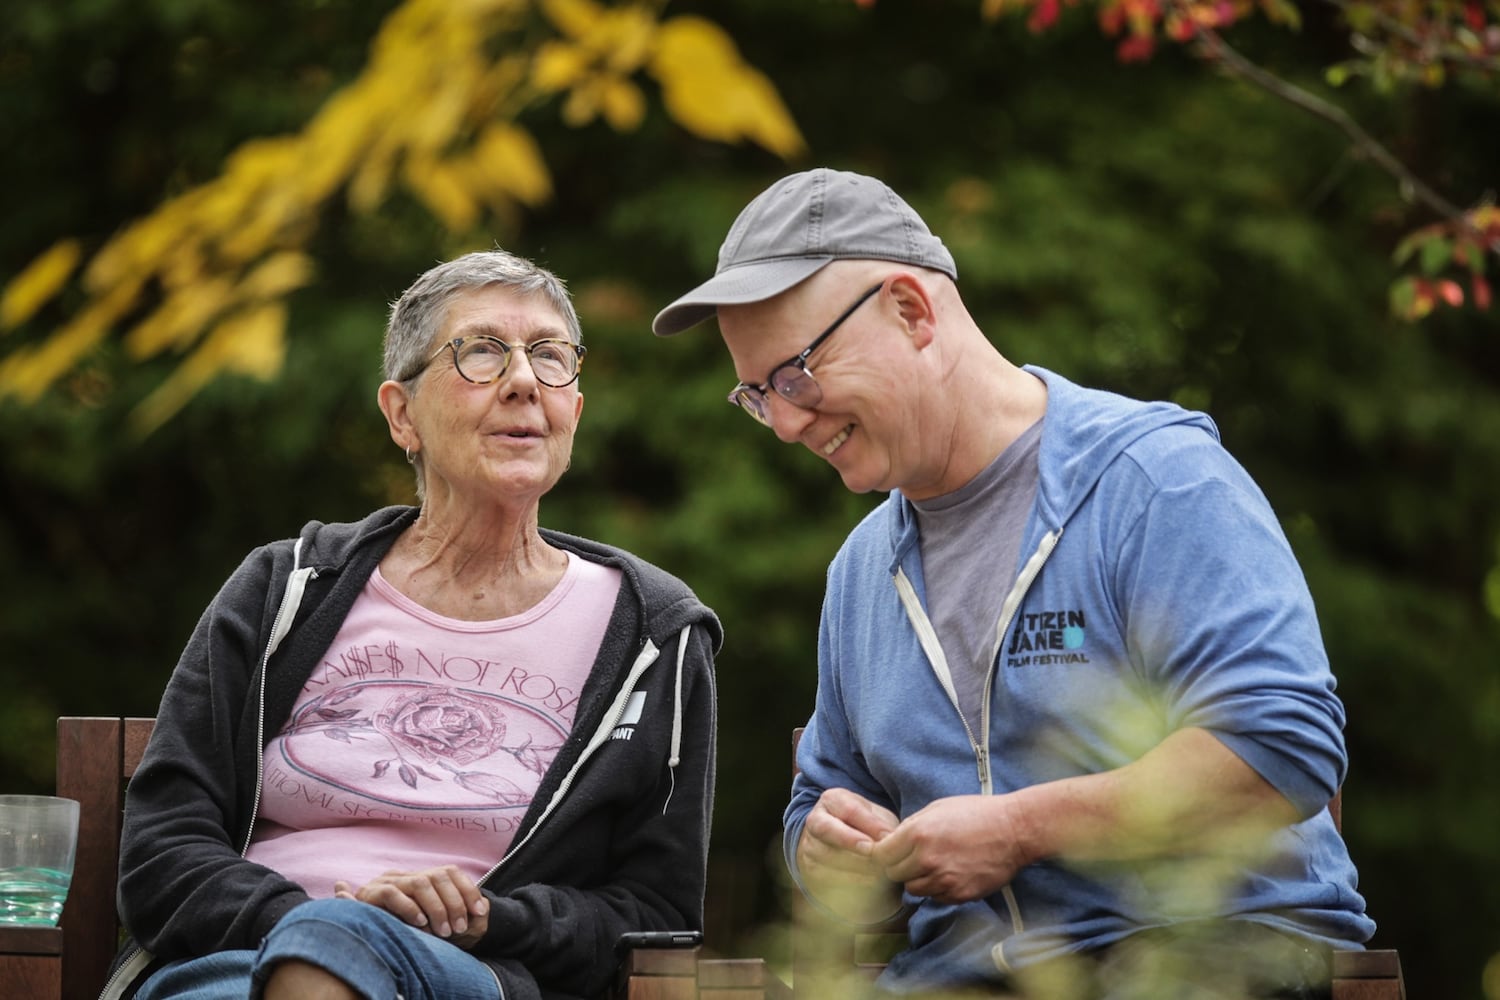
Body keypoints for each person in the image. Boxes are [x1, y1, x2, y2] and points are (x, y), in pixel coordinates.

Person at [653, 168, 1374, 999]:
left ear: (912, 311)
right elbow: (823, 799)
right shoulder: (860, 571)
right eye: (758, 395)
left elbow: (1283, 747)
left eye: (797, 375)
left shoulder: (1153, 479)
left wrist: (1020, 829)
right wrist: (827, 850)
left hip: (1206, 959)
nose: (783, 424)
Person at [108, 249, 722, 1000]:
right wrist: (313, 923)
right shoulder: (285, 591)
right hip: (240, 964)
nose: (525, 381)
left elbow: (655, 913)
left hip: (474, 976)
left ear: (573, 414)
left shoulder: (652, 635)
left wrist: (489, 920)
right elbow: (161, 854)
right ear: (402, 414)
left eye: (551, 357)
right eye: (483, 352)